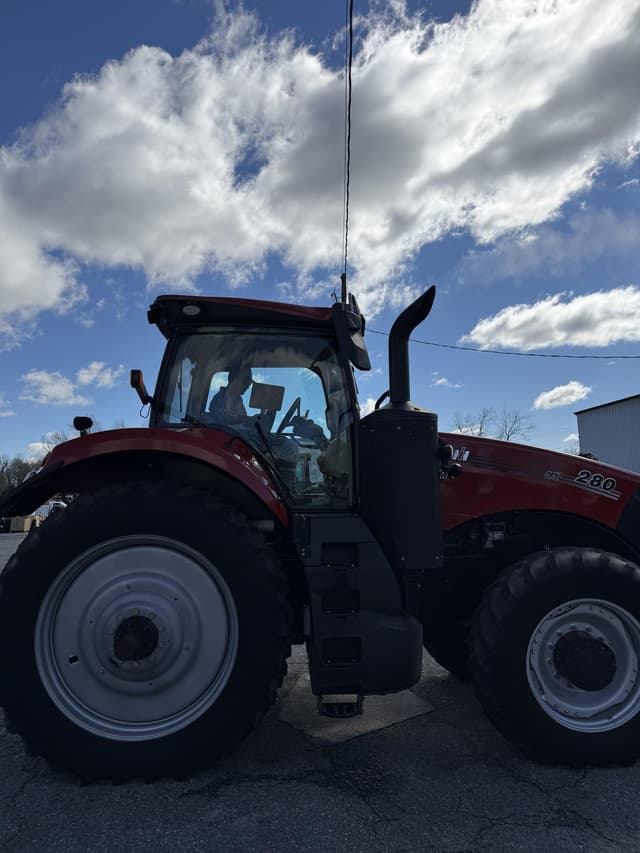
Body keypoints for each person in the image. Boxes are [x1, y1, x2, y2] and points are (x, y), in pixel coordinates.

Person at [207, 362, 253, 427]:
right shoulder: (220, 398)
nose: (247, 387)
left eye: (249, 383)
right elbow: (224, 423)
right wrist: (247, 420)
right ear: (235, 379)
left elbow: (243, 423)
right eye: (246, 382)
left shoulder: (239, 400)